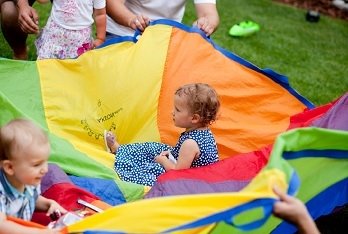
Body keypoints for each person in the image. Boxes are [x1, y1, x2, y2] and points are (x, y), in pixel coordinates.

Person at [106, 83, 220, 186]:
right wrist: (171, 154)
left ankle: (124, 164)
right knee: (153, 148)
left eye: (178, 110)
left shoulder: (190, 144)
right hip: (182, 163)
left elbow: (178, 174)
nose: (172, 112)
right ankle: (119, 149)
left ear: (194, 118)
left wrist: (164, 161)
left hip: (189, 183)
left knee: (150, 173)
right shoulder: (204, 132)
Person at [0, 119, 67, 227]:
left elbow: (29, 198)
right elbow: (2, 226)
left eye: (45, 161)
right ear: (10, 167)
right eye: (36, 165)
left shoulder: (28, 181)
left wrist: (48, 204)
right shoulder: (2, 191)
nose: (45, 169)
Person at [105, 0, 219, 38]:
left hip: (167, 39)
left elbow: (209, 13)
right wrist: (131, 20)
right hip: (123, 34)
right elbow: (112, 3)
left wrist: (206, 23)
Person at [35, 0, 106, 59]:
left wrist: (100, 38)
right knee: (47, 66)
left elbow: (100, 15)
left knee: (76, 68)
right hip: (55, 34)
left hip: (80, 38)